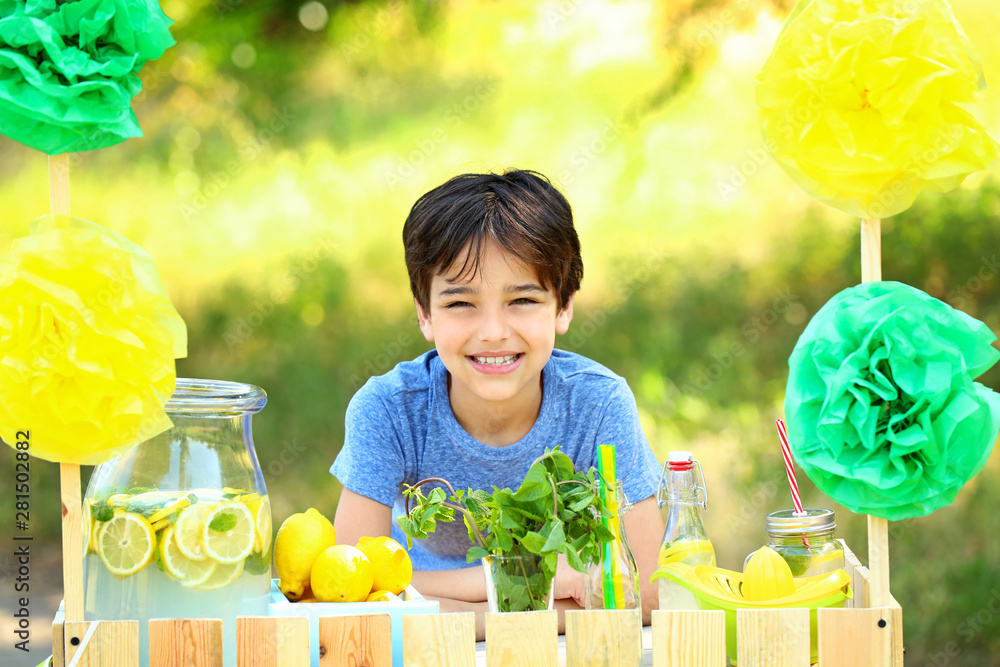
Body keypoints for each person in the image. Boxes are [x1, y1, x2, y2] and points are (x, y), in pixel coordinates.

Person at [331, 169, 665, 638]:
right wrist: (515, 591)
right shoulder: (389, 409)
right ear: (424, 313)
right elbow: (348, 596)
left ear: (563, 306)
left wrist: (431, 603)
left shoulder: (597, 403)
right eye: (461, 304)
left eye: (523, 299)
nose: (492, 331)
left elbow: (646, 594)